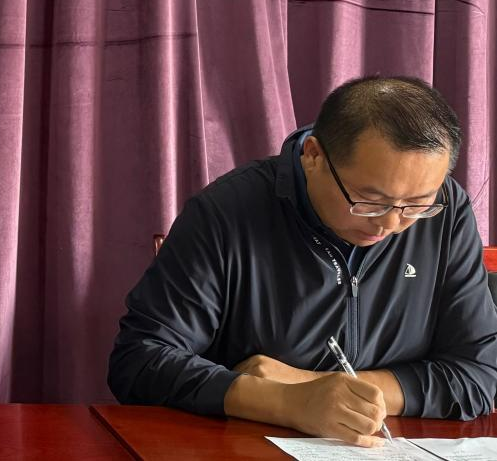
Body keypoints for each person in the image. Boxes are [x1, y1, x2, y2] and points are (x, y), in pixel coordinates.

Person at [109, 76, 497, 446]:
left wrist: (303, 384)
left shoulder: (448, 212)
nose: (391, 224)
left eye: (417, 205)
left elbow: (481, 374)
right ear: (313, 156)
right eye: (370, 201)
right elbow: (139, 361)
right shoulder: (226, 214)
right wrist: (281, 403)